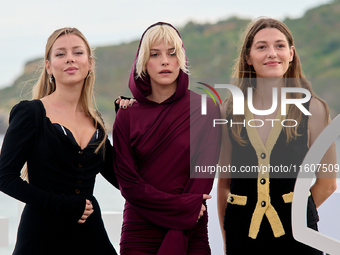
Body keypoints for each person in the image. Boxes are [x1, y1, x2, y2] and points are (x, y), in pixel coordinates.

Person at [0, 27, 130, 255]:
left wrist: (129, 120)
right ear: (49, 66)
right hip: (40, 239)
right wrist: (62, 204)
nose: (70, 58)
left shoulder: (96, 121)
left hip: (90, 238)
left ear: (89, 63)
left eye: (77, 52)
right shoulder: (31, 113)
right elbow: (5, 177)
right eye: (60, 54)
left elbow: (124, 178)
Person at [217, 17, 337, 255]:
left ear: (291, 53)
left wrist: (296, 212)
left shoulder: (314, 109)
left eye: (280, 46)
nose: (272, 53)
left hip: (301, 240)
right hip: (242, 239)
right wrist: (227, 240)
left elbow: (327, 184)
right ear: (248, 58)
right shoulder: (228, 112)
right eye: (262, 47)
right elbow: (224, 185)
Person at [112, 22, 221, 255]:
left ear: (181, 60)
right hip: (140, 231)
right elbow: (128, 184)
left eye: (172, 54)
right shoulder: (126, 114)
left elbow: (203, 176)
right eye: (155, 54)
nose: (165, 61)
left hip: (191, 226)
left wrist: (185, 214)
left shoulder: (205, 108)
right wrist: (182, 207)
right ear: (143, 62)